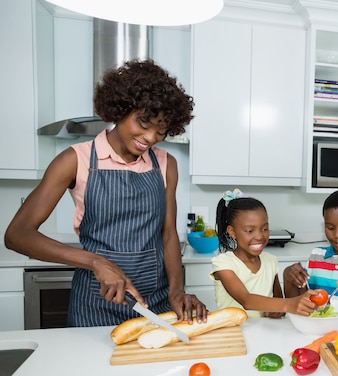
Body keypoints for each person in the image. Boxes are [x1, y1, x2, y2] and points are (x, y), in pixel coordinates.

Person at [4, 59, 207, 326]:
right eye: (143, 124)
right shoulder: (75, 160)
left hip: (156, 304)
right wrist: (96, 262)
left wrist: (176, 290)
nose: (150, 138)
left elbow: (168, 233)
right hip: (96, 305)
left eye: (161, 131)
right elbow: (17, 235)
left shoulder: (167, 164)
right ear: (120, 109)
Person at [210, 189, 317, 318]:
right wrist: (289, 304)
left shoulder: (270, 261)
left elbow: (278, 302)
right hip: (232, 332)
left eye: (265, 228)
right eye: (250, 231)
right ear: (232, 232)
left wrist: (276, 311)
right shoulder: (223, 263)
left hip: (263, 331)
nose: (260, 236)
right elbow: (246, 300)